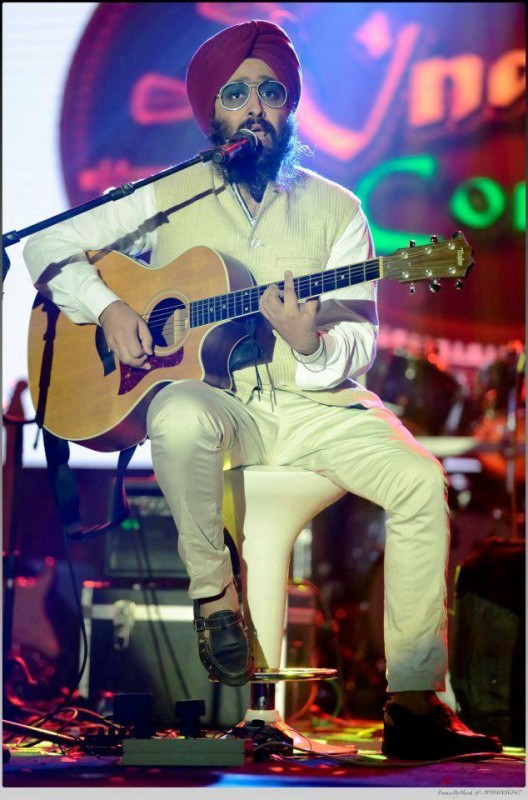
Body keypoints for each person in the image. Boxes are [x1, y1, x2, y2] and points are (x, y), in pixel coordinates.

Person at [23, 20, 503, 760]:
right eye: (237, 93)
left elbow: (360, 345)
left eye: (271, 93)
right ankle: (217, 597)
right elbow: (45, 246)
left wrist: (310, 340)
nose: (255, 107)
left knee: (418, 479)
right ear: (211, 112)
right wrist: (112, 307)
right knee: (177, 408)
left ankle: (414, 701)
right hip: (226, 408)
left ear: (290, 109)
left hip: (317, 407)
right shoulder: (170, 196)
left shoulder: (338, 209)